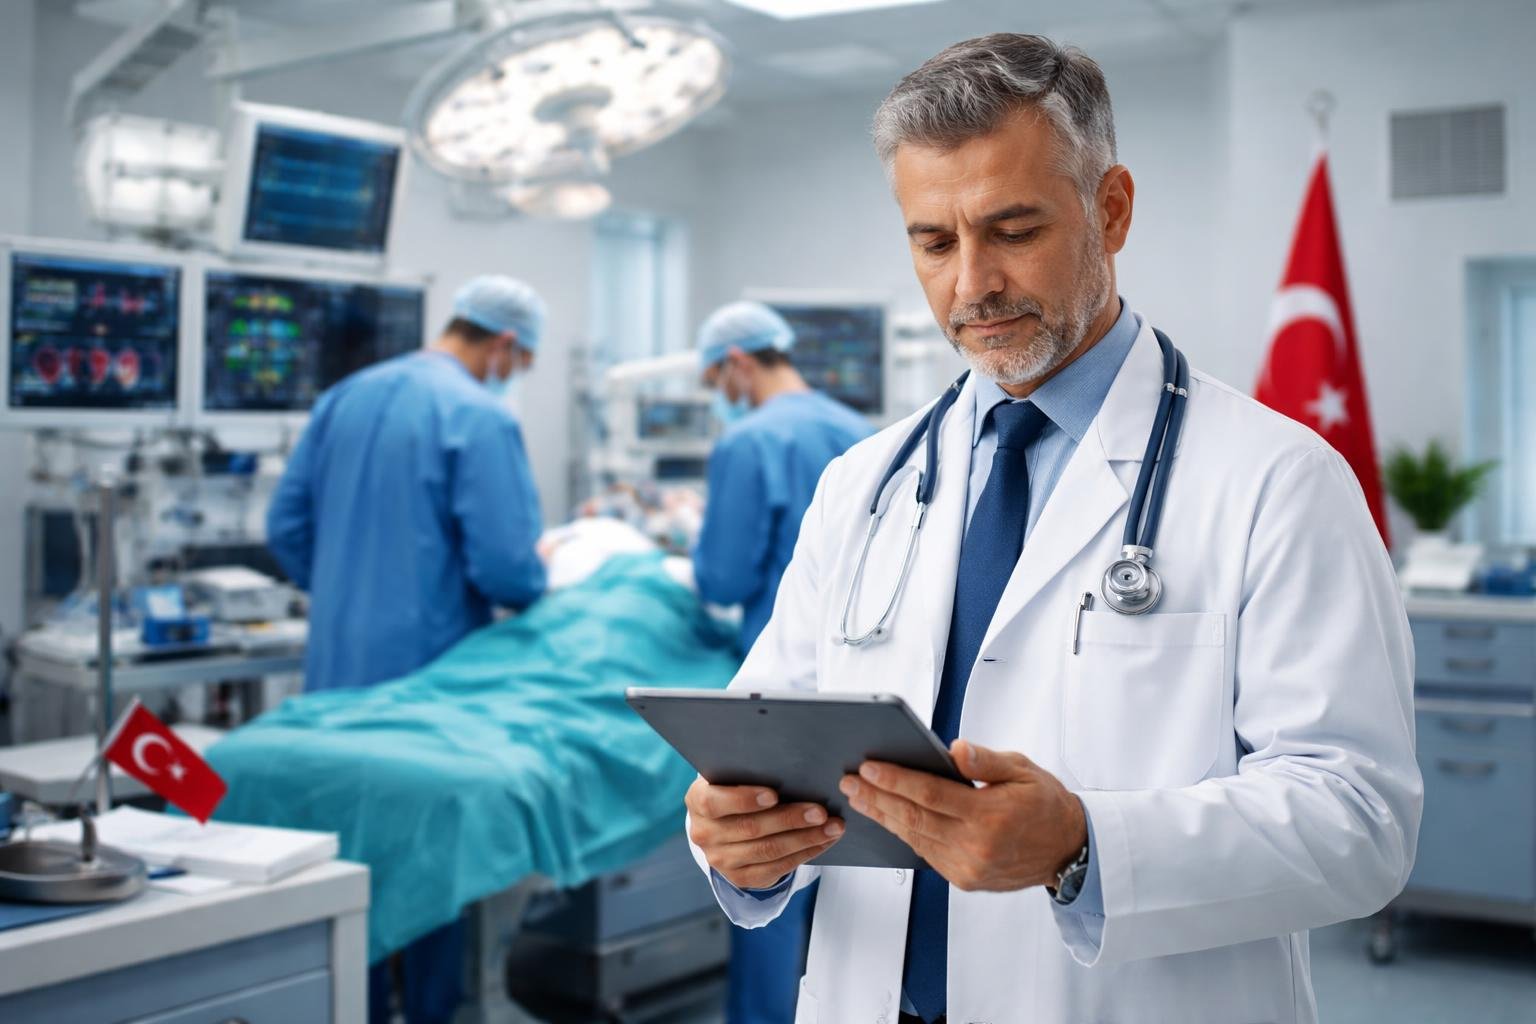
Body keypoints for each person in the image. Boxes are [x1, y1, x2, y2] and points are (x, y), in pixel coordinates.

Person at [685, 34, 1420, 1024]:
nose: (971, 284)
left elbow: (1361, 820)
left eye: (1013, 228)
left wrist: (1083, 846)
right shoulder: (862, 484)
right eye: (934, 243)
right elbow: (767, 734)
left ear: (1110, 210)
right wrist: (736, 839)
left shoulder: (1276, 480)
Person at [266, 274, 549, 1024]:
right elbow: (508, 571)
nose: (511, 379)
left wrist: (343, 585)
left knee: (344, 864)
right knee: (423, 875)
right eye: (519, 366)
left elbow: (286, 530)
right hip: (431, 685)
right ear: (506, 344)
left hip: (332, 677)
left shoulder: (344, 398)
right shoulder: (479, 417)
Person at [691, 300, 872, 1024]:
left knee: (768, 854)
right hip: (857, 682)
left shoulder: (749, 443)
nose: (721, 398)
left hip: (772, 687)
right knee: (847, 880)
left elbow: (724, 580)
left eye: (717, 380)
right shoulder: (861, 435)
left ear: (739, 361)